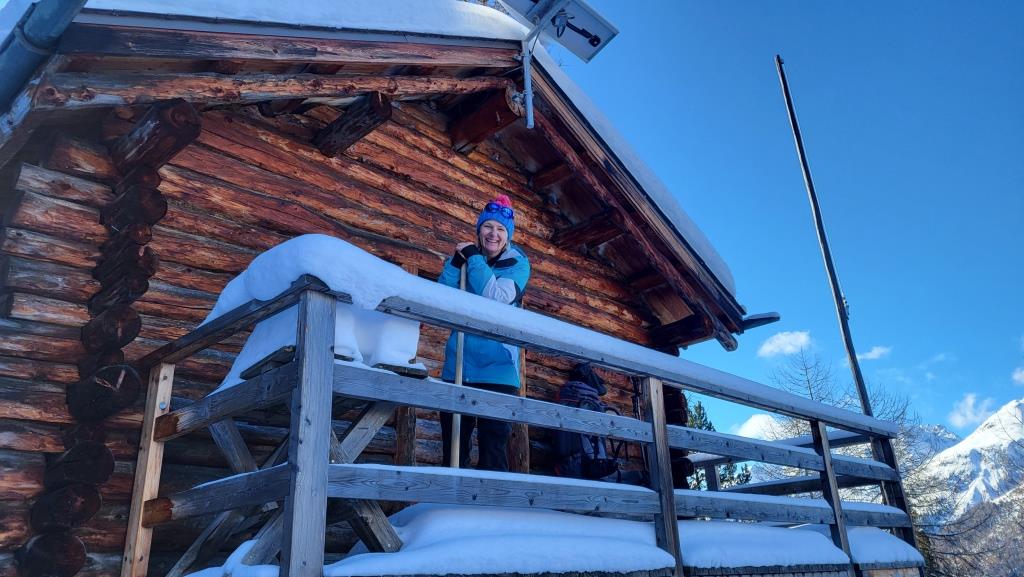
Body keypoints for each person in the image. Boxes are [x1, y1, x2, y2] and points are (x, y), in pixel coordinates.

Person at [438, 194, 530, 471]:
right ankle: (452, 497)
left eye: (501, 229)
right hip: (459, 366)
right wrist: (455, 264)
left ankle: (492, 499)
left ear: (508, 235)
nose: (493, 233)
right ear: (479, 230)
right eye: (488, 226)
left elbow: (498, 299)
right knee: (453, 453)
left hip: (498, 370)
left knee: (493, 452)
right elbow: (441, 298)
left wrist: (474, 259)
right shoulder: (467, 260)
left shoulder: (517, 263)